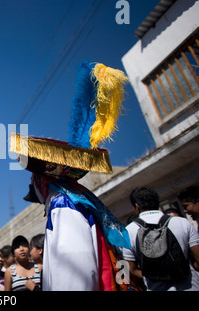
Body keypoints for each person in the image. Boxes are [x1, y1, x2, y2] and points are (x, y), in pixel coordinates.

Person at [10, 61, 137, 291]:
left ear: (42, 179)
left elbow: (74, 275)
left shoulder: (63, 204)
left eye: (33, 179)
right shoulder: (74, 201)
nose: (32, 185)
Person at [123, 186, 199, 291]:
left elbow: (131, 269)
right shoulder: (182, 222)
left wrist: (153, 275)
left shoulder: (128, 232)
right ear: (157, 202)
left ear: (137, 206)